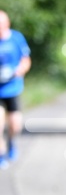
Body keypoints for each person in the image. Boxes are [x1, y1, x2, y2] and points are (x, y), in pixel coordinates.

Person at [0, 11, 31, 169]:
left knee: (15, 125)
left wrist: (18, 71)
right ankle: (0, 154)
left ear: (7, 24)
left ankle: (11, 142)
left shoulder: (16, 38)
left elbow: (26, 60)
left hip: (12, 88)